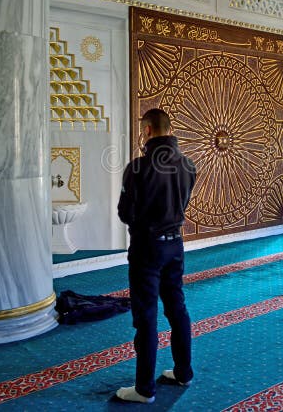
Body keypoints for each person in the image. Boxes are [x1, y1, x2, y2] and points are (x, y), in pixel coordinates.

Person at [116, 108, 196, 404]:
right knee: (177, 308)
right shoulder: (188, 165)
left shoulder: (137, 167)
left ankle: (144, 389)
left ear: (147, 129)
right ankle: (183, 372)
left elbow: (125, 213)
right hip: (176, 245)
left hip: (147, 248)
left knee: (146, 315)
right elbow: (182, 203)